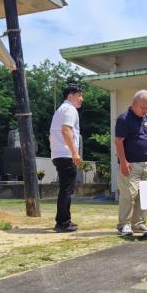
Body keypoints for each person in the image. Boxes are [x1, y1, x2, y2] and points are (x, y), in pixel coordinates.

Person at [114, 89, 147, 237]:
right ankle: (124, 225)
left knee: (144, 195)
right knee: (129, 194)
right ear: (134, 104)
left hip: (144, 164)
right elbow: (118, 141)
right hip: (130, 164)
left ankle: (138, 223)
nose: (145, 110)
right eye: (143, 107)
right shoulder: (124, 119)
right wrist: (123, 162)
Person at [49, 83, 83, 232]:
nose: (81, 99)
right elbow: (66, 130)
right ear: (70, 96)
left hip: (59, 153)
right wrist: (75, 152)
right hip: (65, 154)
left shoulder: (61, 109)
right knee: (67, 189)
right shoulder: (70, 109)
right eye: (79, 95)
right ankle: (62, 223)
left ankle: (64, 220)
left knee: (65, 189)